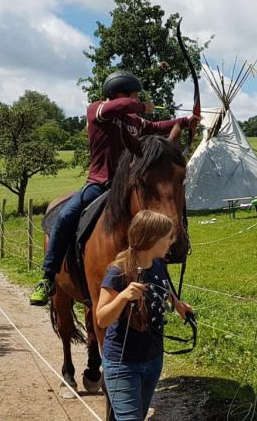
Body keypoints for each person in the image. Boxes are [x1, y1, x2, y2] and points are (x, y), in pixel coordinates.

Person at [30, 71, 199, 305]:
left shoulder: (133, 122)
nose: (136, 100)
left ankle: (160, 284)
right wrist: (140, 105)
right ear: (120, 95)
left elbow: (156, 126)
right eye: (133, 95)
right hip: (99, 184)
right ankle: (48, 278)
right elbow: (114, 108)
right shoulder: (98, 111)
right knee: (66, 217)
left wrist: (183, 122)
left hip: (128, 187)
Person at [96, 210, 193, 421]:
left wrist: (177, 304)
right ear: (151, 239)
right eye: (168, 237)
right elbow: (102, 319)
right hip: (123, 364)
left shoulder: (158, 264)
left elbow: (163, 287)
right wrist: (123, 297)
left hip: (153, 360)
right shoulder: (117, 272)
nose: (172, 241)